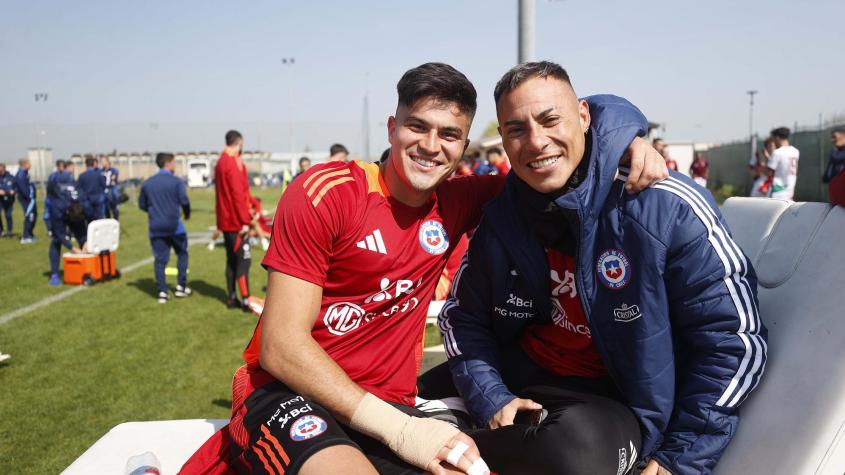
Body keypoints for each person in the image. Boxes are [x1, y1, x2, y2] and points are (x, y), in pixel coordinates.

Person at [182, 62, 667, 475]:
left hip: (388, 405)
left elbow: (557, 143)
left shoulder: (461, 200)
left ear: (463, 145)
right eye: (418, 127)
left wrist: (624, 141)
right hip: (288, 393)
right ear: (392, 127)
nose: (431, 146)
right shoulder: (329, 192)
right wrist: (400, 429)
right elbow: (281, 346)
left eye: (450, 134)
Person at [436, 61, 766, 475]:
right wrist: (491, 398)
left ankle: (444, 438)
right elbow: (463, 317)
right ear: (502, 138)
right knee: (384, 414)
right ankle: (441, 434)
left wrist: (680, 458)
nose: (536, 142)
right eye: (517, 129)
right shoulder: (504, 212)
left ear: (584, 115)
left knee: (574, 457)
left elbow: (733, 341)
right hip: (520, 378)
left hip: (615, 404)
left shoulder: (664, 203)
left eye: (550, 119)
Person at [139, 153, 192, 304]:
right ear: (168, 163)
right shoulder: (176, 182)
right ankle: (181, 287)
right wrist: (187, 213)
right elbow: (184, 200)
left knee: (160, 260)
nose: (175, 166)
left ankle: (162, 291)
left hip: (156, 227)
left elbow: (142, 204)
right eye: (174, 163)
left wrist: (154, 212)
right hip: (174, 226)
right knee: (182, 253)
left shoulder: (148, 183)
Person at [215, 130, 253, 310]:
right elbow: (238, 194)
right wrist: (245, 221)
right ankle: (246, 300)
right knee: (244, 260)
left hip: (225, 220)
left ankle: (231, 297)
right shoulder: (233, 162)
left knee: (231, 260)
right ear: (240, 143)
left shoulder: (220, 161)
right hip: (236, 222)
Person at [47, 161, 86, 286]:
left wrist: (85, 241)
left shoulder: (81, 200)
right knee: (56, 241)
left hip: (72, 208)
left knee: (82, 237)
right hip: (58, 209)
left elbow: (81, 227)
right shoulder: (57, 208)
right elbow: (60, 234)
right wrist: (72, 247)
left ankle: (85, 267)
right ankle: (54, 274)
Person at [767, 126, 800, 200]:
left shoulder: (777, 153)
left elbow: (769, 173)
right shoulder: (796, 152)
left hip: (777, 193)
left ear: (777, 138)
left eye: (773, 139)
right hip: (790, 193)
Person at [77, 156, 107, 224]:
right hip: (98, 199)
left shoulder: (82, 176)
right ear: (94, 164)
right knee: (99, 220)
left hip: (87, 200)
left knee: (89, 220)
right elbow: (104, 185)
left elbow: (79, 189)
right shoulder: (99, 174)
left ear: (86, 165)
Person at [14, 158, 37, 243]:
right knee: (29, 216)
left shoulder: (25, 173)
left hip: (31, 199)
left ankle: (30, 234)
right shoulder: (21, 174)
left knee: (33, 216)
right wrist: (29, 197)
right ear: (24, 164)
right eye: (29, 163)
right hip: (27, 200)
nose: (30, 165)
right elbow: (23, 189)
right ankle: (25, 237)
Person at [101, 155, 121, 220]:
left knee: (115, 210)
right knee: (105, 210)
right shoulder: (101, 171)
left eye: (103, 161)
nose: (102, 163)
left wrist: (112, 180)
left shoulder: (114, 170)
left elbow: (113, 180)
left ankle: (116, 221)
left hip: (111, 190)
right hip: (104, 191)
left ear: (107, 162)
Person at [0, 163, 16, 237]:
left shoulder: (11, 177)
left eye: (1, 170)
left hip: (9, 200)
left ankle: (10, 231)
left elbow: (16, 187)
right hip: (0, 200)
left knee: (8, 215)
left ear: (4, 169)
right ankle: (1, 231)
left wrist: (14, 191)